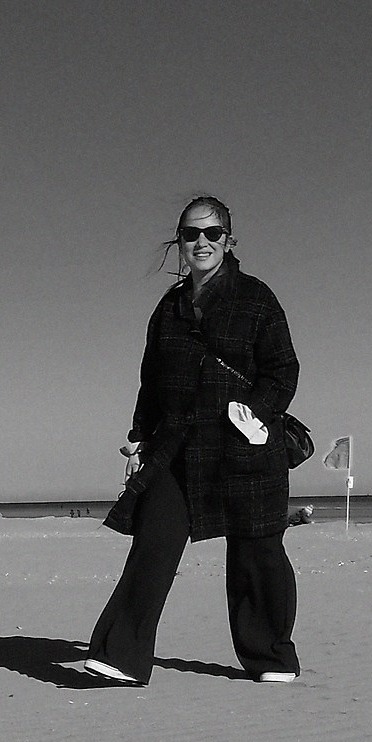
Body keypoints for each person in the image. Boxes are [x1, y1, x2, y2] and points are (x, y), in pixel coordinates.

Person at [78, 195, 300, 686]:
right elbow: (150, 380)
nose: (201, 242)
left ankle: (271, 659)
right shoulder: (168, 308)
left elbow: (283, 370)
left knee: (257, 552)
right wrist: (138, 438)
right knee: (154, 543)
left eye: (212, 233)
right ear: (178, 241)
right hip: (178, 445)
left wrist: (257, 415)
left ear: (229, 240)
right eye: (191, 233)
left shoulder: (257, 298)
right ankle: (121, 655)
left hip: (246, 445)